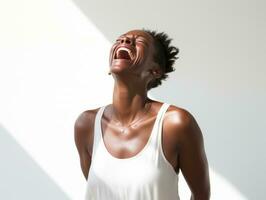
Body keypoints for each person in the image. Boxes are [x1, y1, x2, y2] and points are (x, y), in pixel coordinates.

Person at [74, 29, 210, 200]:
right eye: (120, 39)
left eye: (138, 42)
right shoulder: (86, 124)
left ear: (155, 70)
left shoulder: (175, 123)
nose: (125, 41)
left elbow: (201, 195)